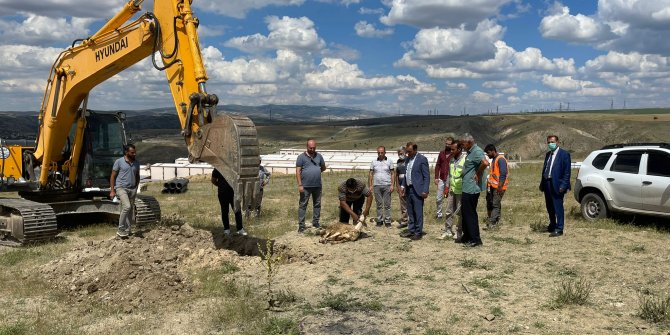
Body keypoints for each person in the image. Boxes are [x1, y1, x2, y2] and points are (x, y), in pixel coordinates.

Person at [460, 134, 489, 247]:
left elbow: (485, 163)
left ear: (469, 143)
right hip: (466, 186)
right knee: (465, 213)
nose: (462, 146)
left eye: (463, 144)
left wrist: (477, 173)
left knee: (470, 214)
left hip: (471, 188)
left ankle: (475, 239)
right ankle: (467, 236)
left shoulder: (477, 151)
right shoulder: (470, 152)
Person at [539, 135, 571, 237]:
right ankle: (552, 224)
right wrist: (542, 184)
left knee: (558, 207)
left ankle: (559, 228)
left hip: (558, 184)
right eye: (548, 142)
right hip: (547, 183)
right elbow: (545, 169)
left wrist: (564, 185)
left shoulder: (564, 154)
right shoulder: (548, 154)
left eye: (552, 142)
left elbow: (567, 172)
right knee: (549, 206)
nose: (550, 144)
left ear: (557, 142)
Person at [399, 142, 430, 241]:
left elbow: (426, 176)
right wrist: (403, 185)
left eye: (410, 151)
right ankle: (411, 230)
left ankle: (418, 232)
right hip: (409, 189)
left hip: (418, 190)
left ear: (415, 150)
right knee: (410, 211)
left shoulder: (422, 159)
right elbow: (406, 173)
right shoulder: (408, 159)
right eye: (407, 151)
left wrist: (425, 190)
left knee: (418, 212)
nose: (408, 153)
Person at [109, 144, 140, 239]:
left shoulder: (136, 163)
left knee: (130, 211)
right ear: (126, 152)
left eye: (135, 152)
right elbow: (113, 176)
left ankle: (128, 230)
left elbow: (137, 176)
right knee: (127, 206)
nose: (134, 154)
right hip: (121, 188)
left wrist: (136, 187)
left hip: (132, 189)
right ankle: (120, 229)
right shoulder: (119, 162)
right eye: (132, 152)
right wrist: (112, 190)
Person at [296, 139, 326, 233]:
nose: (312, 149)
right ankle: (301, 225)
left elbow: (323, 167)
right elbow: (297, 171)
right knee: (303, 205)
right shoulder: (301, 157)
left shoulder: (319, 156)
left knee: (317, 204)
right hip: (305, 186)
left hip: (317, 185)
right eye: (310, 148)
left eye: (314, 147)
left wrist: (316, 172)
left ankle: (316, 222)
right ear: (307, 147)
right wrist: (300, 185)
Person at [439, 141, 466, 240]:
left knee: (460, 213)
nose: (451, 151)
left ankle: (459, 232)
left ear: (459, 149)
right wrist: (446, 187)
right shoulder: (451, 160)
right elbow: (449, 175)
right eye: (450, 149)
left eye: (453, 149)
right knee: (448, 211)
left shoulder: (465, 160)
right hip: (452, 190)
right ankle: (448, 231)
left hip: (461, 190)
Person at [211, 169, 246, 236]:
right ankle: (226, 230)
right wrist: (221, 185)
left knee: (237, 211)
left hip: (235, 193)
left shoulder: (235, 167)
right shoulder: (217, 168)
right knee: (224, 211)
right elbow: (213, 180)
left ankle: (240, 229)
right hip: (222, 194)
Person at [369, 146, 395, 228]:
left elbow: (393, 173)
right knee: (379, 204)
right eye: (378, 152)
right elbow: (370, 174)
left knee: (387, 204)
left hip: (387, 185)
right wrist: (370, 185)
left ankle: (387, 221)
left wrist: (392, 185)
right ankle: (379, 220)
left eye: (382, 152)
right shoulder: (373, 162)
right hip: (377, 185)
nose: (380, 154)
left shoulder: (389, 161)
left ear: (385, 152)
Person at [484, 144, 509, 230]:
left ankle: (492, 223)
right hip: (493, 186)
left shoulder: (500, 159)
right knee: (495, 203)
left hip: (499, 187)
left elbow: (503, 173)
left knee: (495, 204)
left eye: (488, 153)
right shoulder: (494, 159)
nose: (487, 155)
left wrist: (500, 186)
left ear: (493, 151)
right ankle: (497, 220)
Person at [434, 137, 454, 219]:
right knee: (438, 198)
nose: (447, 145)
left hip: (451, 179)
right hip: (442, 179)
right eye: (446, 143)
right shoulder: (441, 153)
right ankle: (439, 214)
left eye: (449, 144)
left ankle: (450, 215)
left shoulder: (454, 154)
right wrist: (436, 177)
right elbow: (438, 165)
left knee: (450, 198)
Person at [395, 147, 409, 228]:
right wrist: (397, 186)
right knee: (403, 203)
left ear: (405, 153)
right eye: (399, 154)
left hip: (408, 184)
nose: (401, 155)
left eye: (402, 153)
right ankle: (404, 220)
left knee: (409, 203)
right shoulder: (398, 162)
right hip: (400, 185)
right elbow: (397, 174)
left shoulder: (408, 160)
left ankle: (411, 220)